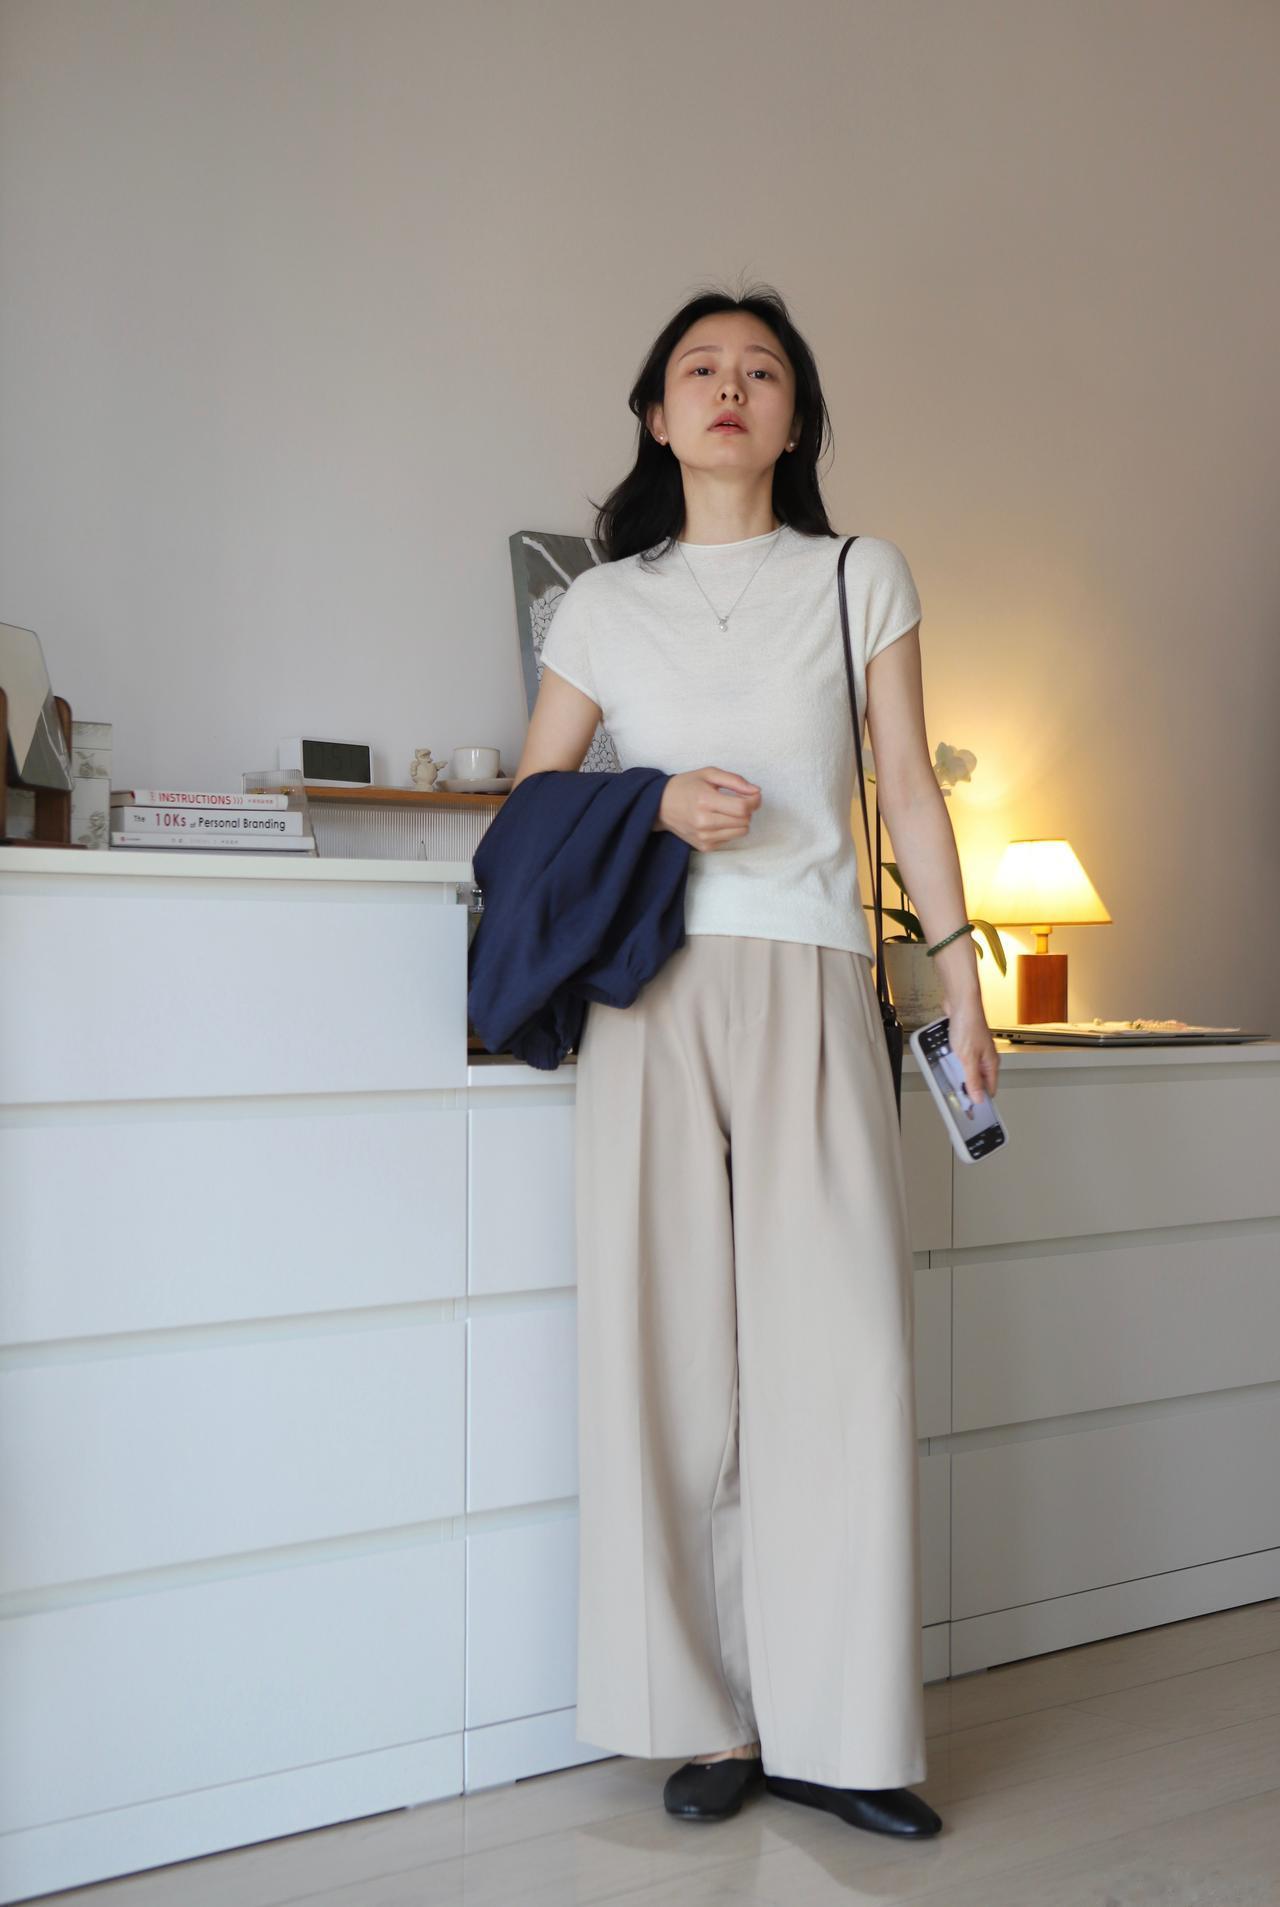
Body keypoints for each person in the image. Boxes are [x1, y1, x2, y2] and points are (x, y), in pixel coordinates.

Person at [512, 283, 999, 1840]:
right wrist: (653, 804)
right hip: (650, 992)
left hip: (814, 978)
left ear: (796, 418)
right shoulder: (602, 606)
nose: (732, 388)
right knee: (669, 1362)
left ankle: (840, 1735)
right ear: (658, 416)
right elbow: (532, 804)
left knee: (839, 1360)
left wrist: (961, 979)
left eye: (764, 371)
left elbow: (908, 787)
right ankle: (709, 1722)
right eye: (702, 369)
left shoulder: (859, 575)